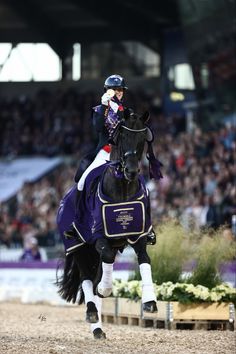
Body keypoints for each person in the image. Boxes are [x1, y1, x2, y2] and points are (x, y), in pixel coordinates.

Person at [65, 74, 156, 244]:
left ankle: (148, 227)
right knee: (83, 181)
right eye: (114, 89)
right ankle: (77, 223)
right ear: (107, 91)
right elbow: (98, 127)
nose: (118, 92)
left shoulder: (126, 111)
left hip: (123, 155)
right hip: (105, 152)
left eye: (120, 90)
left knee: (144, 186)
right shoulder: (100, 109)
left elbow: (137, 130)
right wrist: (104, 106)